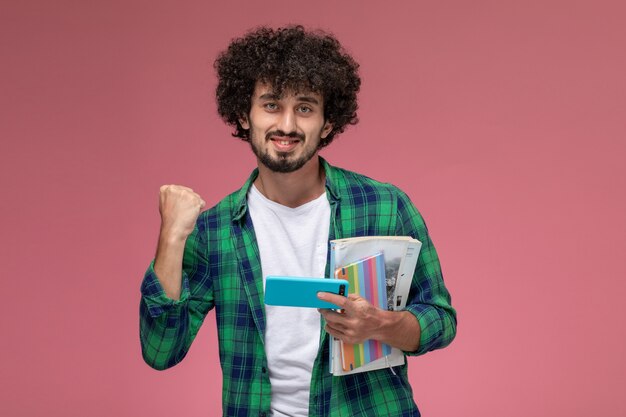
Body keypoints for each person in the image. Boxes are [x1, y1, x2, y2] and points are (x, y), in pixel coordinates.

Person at [140, 25, 456, 417]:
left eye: (304, 108)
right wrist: (171, 237)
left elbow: (440, 320)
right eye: (271, 105)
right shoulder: (215, 230)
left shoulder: (384, 205)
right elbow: (160, 349)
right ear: (244, 113)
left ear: (326, 123)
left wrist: (380, 324)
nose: (287, 125)